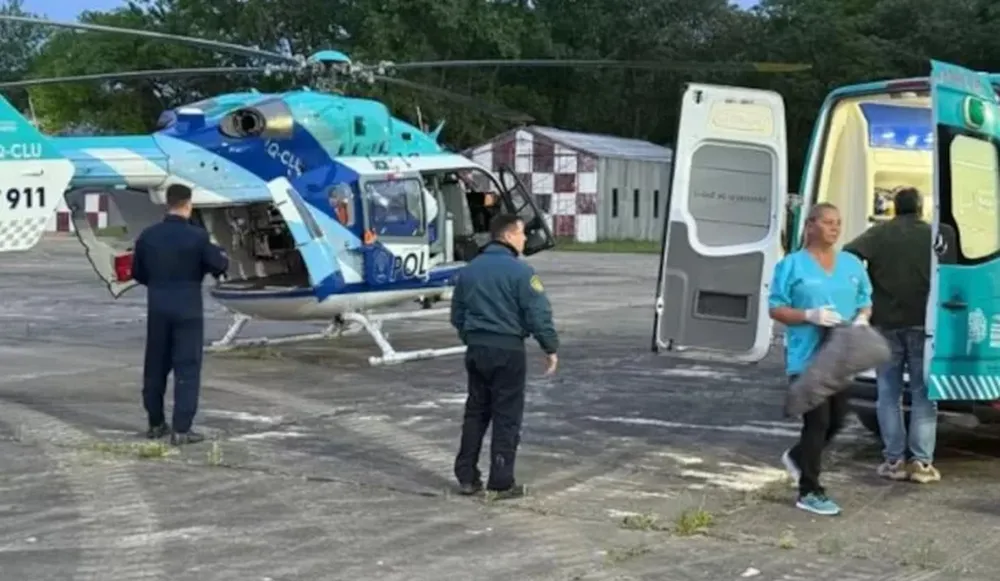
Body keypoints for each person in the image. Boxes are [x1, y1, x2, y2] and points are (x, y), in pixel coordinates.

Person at [769, 202, 873, 516]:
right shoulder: (791, 265)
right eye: (828, 222)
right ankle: (809, 490)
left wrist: (863, 318)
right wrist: (808, 315)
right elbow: (776, 308)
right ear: (810, 225)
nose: (835, 228)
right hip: (807, 358)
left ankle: (800, 457)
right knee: (818, 421)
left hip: (839, 356)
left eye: (838, 223)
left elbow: (865, 300)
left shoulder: (851, 264)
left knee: (837, 420)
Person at [450, 213, 559, 499]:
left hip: (476, 350)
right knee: (506, 415)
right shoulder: (521, 273)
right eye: (522, 233)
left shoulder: (469, 270)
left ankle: (466, 476)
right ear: (509, 236)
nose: (525, 239)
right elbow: (538, 313)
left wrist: (472, 337)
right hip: (508, 350)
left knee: (476, 412)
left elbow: (457, 314)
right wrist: (550, 347)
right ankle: (501, 481)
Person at [843, 187, 939, 483]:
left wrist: (863, 288)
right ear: (921, 208)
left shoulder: (879, 234)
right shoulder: (932, 236)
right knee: (924, 394)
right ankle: (921, 464)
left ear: (895, 208)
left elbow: (848, 253)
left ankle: (894, 461)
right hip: (925, 324)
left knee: (888, 393)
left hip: (885, 325)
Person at [132, 184, 229, 446]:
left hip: (158, 306)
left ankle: (155, 423)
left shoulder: (148, 235)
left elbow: (137, 273)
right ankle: (181, 429)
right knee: (187, 368)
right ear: (188, 204)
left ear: (167, 203)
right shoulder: (197, 236)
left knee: (155, 367)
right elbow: (218, 264)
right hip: (188, 308)